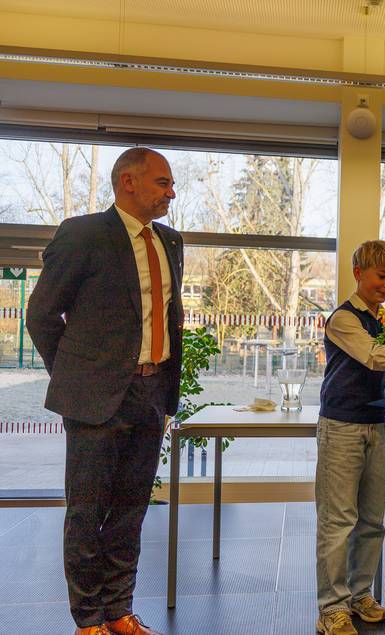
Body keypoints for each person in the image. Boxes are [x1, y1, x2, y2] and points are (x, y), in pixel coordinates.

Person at [27, 148, 183, 635]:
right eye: (162, 182)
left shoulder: (171, 242)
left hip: (151, 393)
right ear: (128, 182)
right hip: (95, 397)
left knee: (132, 510)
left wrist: (164, 393)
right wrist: (77, 376)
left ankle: (118, 610)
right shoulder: (83, 233)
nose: (170, 193)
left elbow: (170, 320)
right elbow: (41, 316)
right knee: (88, 511)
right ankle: (87, 618)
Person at [315, 240, 385, 635]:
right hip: (341, 428)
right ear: (358, 272)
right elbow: (373, 356)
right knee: (338, 521)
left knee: (372, 521)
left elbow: (379, 368)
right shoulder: (342, 318)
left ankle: (360, 595)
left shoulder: (382, 320)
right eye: (381, 275)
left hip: (377, 425)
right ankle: (331, 609)